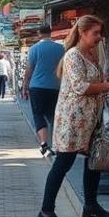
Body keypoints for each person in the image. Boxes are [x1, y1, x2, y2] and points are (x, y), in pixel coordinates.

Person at [36, 15, 109, 217]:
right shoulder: (73, 55)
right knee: (63, 164)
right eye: (95, 33)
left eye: (100, 33)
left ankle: (91, 204)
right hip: (73, 120)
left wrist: (107, 80)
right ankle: (46, 212)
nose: (99, 37)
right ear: (83, 32)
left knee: (94, 161)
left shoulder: (91, 54)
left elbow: (93, 81)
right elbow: (81, 87)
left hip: (90, 119)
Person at [22, 24, 65, 157]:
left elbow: (29, 69)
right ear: (50, 33)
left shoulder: (34, 49)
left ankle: (43, 143)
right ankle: (55, 144)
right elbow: (64, 68)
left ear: (39, 33)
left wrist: (25, 86)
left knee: (38, 115)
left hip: (37, 87)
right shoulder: (60, 48)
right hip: (55, 86)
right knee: (53, 116)